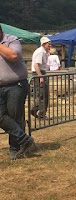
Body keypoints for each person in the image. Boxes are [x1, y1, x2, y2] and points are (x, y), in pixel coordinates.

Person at [0, 24, 35, 160]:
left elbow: (13, 55)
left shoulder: (12, 40)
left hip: (16, 84)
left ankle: (15, 148)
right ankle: (24, 140)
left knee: (15, 116)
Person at [30, 36, 51, 120]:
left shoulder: (43, 52)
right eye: (48, 44)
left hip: (40, 72)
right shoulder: (40, 52)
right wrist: (40, 76)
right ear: (44, 44)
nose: (50, 46)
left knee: (43, 94)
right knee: (42, 94)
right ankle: (35, 110)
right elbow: (36, 65)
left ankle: (39, 111)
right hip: (39, 73)